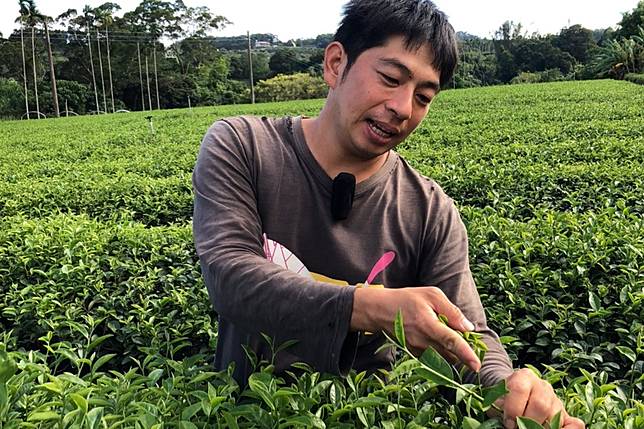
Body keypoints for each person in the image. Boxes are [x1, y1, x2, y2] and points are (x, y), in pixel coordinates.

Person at [192, 1, 584, 427]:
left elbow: (467, 334)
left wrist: (506, 387)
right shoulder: (243, 147)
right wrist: (373, 306)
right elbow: (229, 274)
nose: (402, 107)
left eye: (423, 96)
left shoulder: (430, 209)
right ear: (336, 64)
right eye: (390, 78)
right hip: (246, 415)